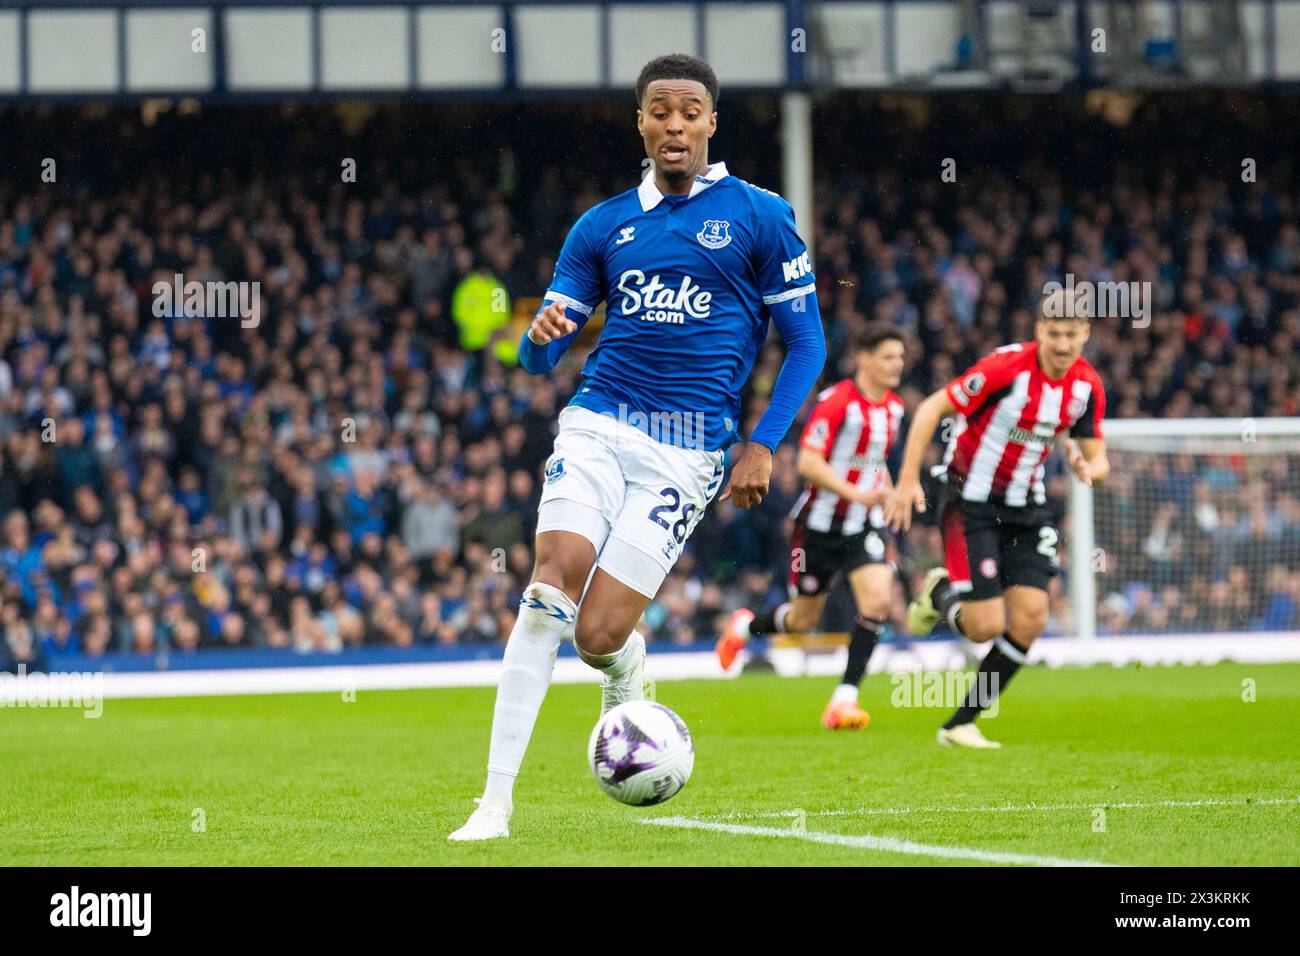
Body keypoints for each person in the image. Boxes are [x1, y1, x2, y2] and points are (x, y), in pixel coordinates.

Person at [449, 54, 827, 841]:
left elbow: (807, 344)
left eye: (691, 111)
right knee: (550, 585)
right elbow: (537, 358)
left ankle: (624, 667)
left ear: (711, 122)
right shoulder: (602, 225)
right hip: (597, 421)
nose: (676, 124)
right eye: (661, 110)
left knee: (598, 636)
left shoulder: (760, 215)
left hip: (688, 450)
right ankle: (495, 802)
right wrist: (540, 337)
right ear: (642, 122)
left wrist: (760, 446)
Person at [884, 289, 1109, 748]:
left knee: (1029, 619)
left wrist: (1090, 469)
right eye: (1054, 334)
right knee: (985, 625)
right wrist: (907, 479)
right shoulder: (1005, 370)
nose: (1063, 345)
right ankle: (941, 591)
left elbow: (1097, 456)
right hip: (972, 502)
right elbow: (931, 408)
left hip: (1027, 507)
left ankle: (960, 723)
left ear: (1085, 334)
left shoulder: (1087, 386)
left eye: (1071, 335)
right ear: (1038, 331)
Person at [715, 326, 905, 730]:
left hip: (862, 527)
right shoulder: (837, 402)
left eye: (900, 357)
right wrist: (855, 492)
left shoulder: (894, 409)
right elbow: (808, 463)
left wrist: (890, 492)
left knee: (877, 603)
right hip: (816, 528)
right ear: (864, 358)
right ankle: (744, 627)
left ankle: (843, 700)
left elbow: (875, 463)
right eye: (889, 357)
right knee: (801, 621)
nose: (898, 365)